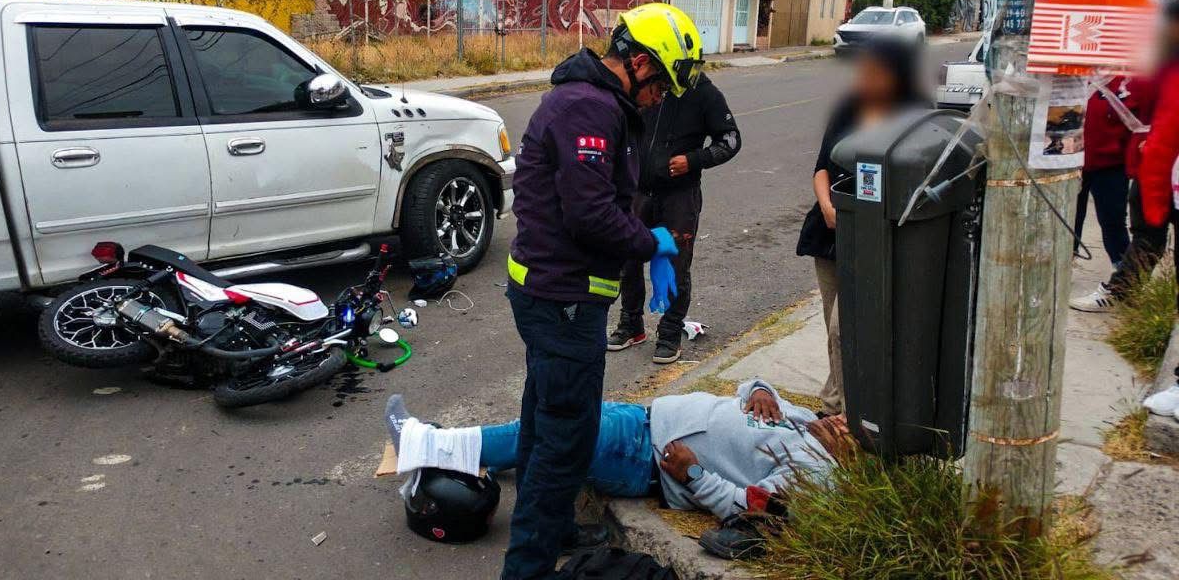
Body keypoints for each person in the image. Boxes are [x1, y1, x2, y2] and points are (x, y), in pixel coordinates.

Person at [501, 3, 705, 580]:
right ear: (639, 63)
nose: (662, 97)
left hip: (557, 295)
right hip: (561, 302)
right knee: (566, 437)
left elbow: (606, 197)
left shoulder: (595, 101)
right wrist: (653, 242)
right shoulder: (589, 106)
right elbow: (590, 214)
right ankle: (528, 568)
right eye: (661, 82)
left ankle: (556, 524)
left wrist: (645, 237)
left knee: (545, 420)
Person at [383, 381, 849, 559]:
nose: (838, 419)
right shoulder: (808, 423)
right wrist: (761, 389)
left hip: (643, 457)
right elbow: (749, 385)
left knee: (548, 431)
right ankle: (452, 450)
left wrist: (695, 477)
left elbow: (750, 510)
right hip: (644, 419)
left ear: (856, 452)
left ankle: (427, 443)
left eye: (848, 426)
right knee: (541, 428)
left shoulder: (817, 474)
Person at [795, 40, 929, 416]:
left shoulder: (915, 115)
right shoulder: (848, 109)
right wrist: (826, 204)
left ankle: (851, 414)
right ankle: (836, 402)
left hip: (876, 237)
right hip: (831, 234)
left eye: (876, 72)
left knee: (845, 328)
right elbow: (821, 166)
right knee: (832, 330)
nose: (866, 79)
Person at [609, 72, 741, 364]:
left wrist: (693, 160)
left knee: (675, 265)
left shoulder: (702, 91)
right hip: (638, 192)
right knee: (627, 259)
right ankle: (631, 324)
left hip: (680, 196)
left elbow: (731, 140)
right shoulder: (646, 82)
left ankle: (669, 331)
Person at [1072, 0, 1179, 312]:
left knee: (1122, 225)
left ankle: (1123, 288)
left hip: (1136, 165)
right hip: (1145, 167)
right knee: (1147, 234)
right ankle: (1121, 290)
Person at [1073, 76, 1135, 267]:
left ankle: (1125, 280)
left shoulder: (1127, 80)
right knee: (1067, 219)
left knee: (1112, 221)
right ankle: (1059, 271)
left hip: (1111, 163)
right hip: (1070, 161)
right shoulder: (1074, 73)